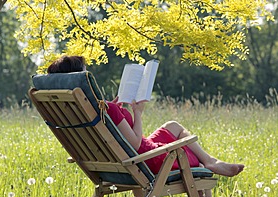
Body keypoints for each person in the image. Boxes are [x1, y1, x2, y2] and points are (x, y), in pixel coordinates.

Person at [47, 55, 245, 177]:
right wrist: (137, 113)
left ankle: (209, 160)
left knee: (172, 125)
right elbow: (134, 145)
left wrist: (115, 110)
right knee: (193, 162)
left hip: (114, 163)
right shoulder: (105, 109)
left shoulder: (81, 111)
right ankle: (208, 167)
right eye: (85, 72)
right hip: (148, 162)